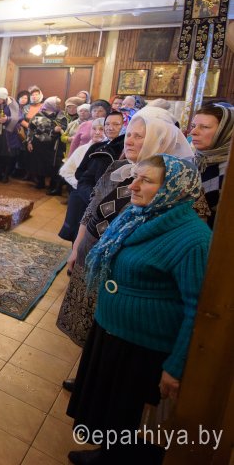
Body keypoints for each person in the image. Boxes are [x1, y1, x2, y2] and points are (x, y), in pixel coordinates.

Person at [66, 155, 211, 465]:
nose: (133, 185)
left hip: (143, 346)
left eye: (146, 180)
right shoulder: (136, 215)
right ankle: (106, 454)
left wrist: (176, 365)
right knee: (109, 408)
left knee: (127, 415)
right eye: (135, 177)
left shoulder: (194, 239)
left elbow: (196, 308)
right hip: (111, 331)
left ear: (174, 189)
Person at [56, 107, 193, 351]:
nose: (129, 140)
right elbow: (93, 206)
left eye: (139, 136)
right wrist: (78, 244)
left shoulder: (173, 185)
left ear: (159, 140)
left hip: (121, 270)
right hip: (91, 249)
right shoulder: (120, 167)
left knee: (108, 333)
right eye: (129, 134)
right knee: (85, 322)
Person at [58, 112, 125, 242]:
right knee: (77, 236)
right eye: (107, 124)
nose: (110, 128)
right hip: (84, 195)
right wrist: (87, 189)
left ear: (123, 126)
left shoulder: (122, 150)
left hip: (102, 203)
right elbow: (78, 173)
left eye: (116, 124)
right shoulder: (93, 148)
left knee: (91, 238)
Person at [190, 103, 234, 229]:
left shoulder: (229, 171)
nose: (193, 132)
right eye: (193, 126)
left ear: (225, 131)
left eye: (204, 127)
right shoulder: (196, 160)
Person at [26, 96, 68, 193]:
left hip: (54, 144)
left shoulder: (61, 115)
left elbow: (64, 127)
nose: (59, 105)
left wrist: (57, 130)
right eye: (57, 103)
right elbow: (31, 129)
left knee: (51, 164)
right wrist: (29, 141)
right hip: (38, 143)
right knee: (38, 163)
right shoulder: (38, 114)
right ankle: (40, 182)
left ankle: (52, 185)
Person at [59, 117, 106, 190]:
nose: (97, 132)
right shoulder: (81, 149)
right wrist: (78, 184)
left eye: (101, 129)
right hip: (80, 189)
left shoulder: (110, 150)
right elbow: (66, 171)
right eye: (94, 129)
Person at [0, 87, 22, 183]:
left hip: (10, 135)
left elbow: (18, 118)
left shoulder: (13, 105)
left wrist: (7, 119)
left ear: (3, 98)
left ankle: (5, 175)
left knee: (8, 157)